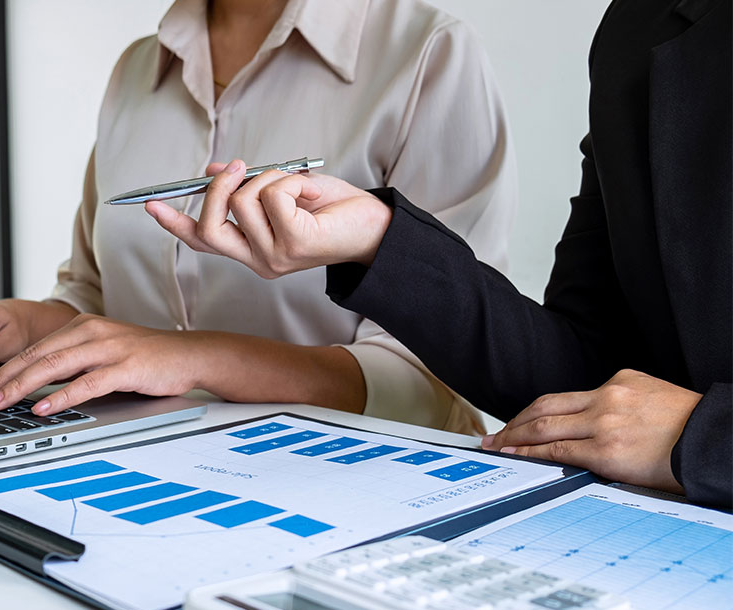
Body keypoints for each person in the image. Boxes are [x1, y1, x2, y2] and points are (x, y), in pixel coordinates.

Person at [148, 0, 731, 507]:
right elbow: (579, 377)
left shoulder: (428, 47)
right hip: (640, 529)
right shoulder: (641, 24)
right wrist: (378, 241)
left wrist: (704, 437)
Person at [0, 0, 517, 434]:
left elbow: (432, 385)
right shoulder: (139, 69)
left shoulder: (428, 54)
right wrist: (25, 325)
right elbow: (93, 297)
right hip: (139, 457)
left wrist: (194, 358)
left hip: (354, 483)